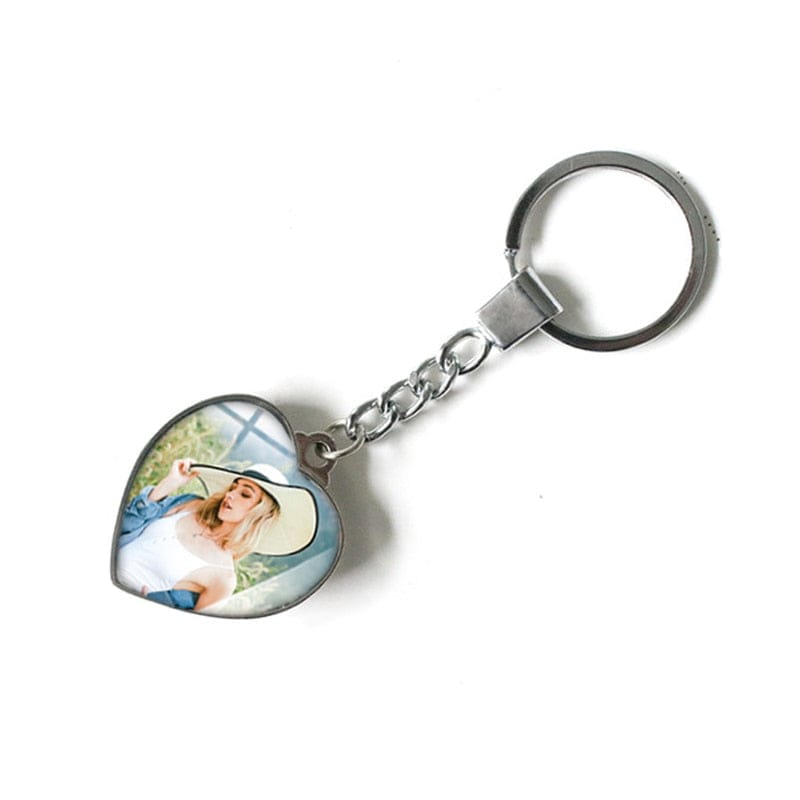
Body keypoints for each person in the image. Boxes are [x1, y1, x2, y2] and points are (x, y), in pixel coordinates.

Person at [115, 458, 318, 612]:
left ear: (260, 514)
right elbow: (125, 523)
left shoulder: (223, 578)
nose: (230, 495)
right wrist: (169, 483)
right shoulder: (191, 504)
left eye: (245, 494)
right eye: (233, 488)